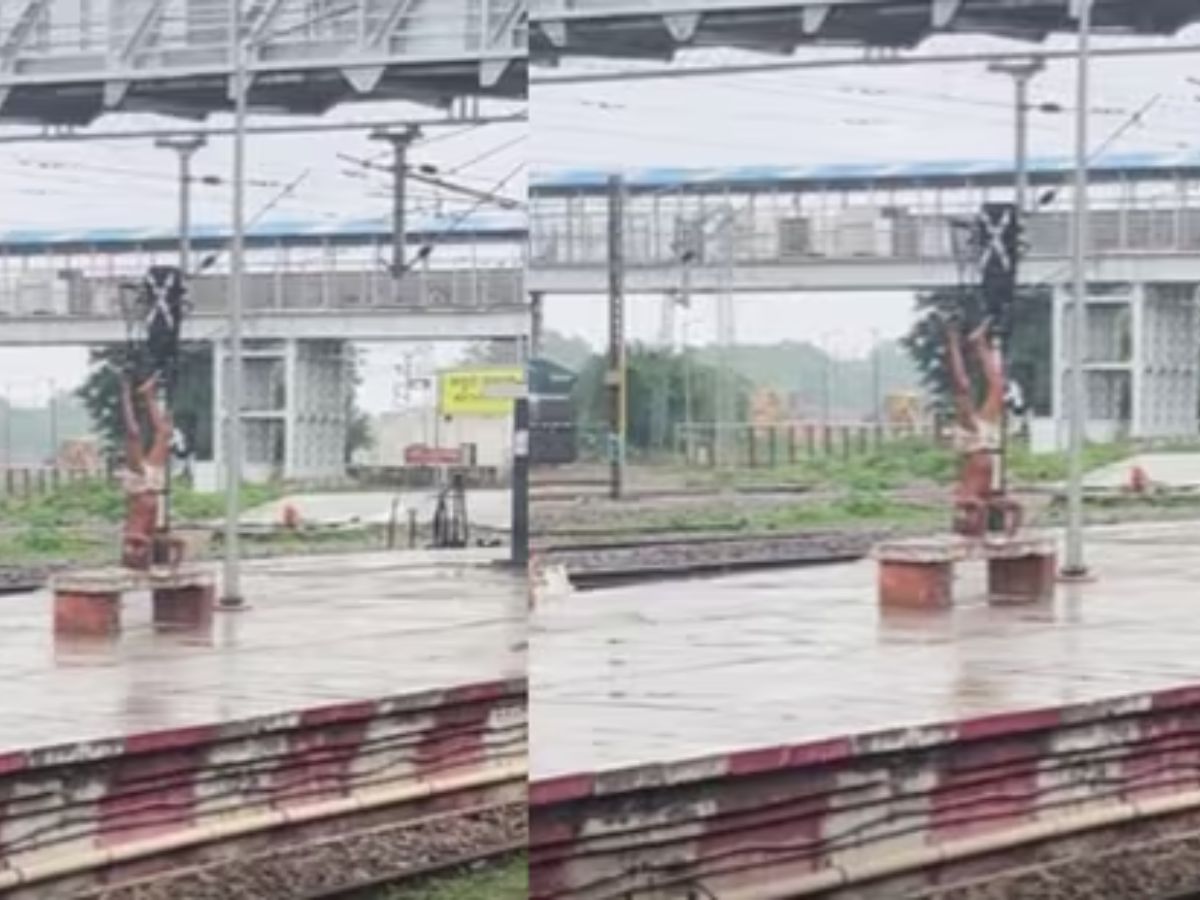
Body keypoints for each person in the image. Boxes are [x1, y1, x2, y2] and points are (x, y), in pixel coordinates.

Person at [944, 316, 1021, 537]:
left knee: (963, 387)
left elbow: (970, 502)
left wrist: (978, 513)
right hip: (985, 443)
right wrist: (1009, 527)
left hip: (973, 442)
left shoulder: (966, 498)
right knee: (997, 387)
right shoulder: (982, 499)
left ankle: (957, 343)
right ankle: (978, 343)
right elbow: (999, 505)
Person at [119, 373, 183, 569]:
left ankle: (126, 396)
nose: (140, 550)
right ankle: (148, 395)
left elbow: (131, 536)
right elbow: (176, 543)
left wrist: (143, 546)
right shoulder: (150, 535)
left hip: (139, 486)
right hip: (153, 486)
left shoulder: (133, 536)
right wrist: (175, 559)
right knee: (165, 433)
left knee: (134, 433)